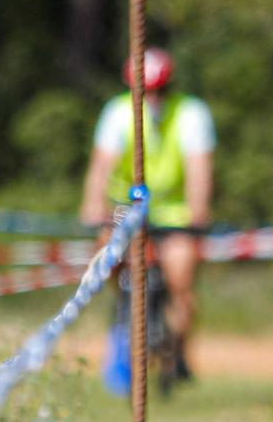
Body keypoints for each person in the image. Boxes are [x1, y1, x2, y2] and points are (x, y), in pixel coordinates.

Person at [79, 46, 214, 378]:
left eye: (159, 91)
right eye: (146, 92)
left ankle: (180, 348)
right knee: (105, 254)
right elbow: (100, 169)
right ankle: (121, 307)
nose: (153, 98)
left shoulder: (192, 114)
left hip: (174, 212)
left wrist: (198, 216)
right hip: (125, 208)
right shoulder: (116, 112)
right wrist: (93, 209)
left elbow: (200, 173)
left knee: (181, 275)